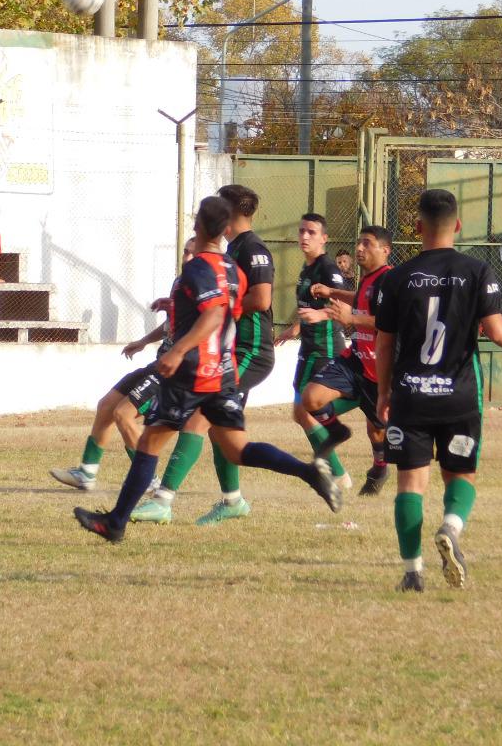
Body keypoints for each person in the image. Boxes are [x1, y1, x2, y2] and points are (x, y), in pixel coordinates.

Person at [73, 196, 341, 544]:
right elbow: (227, 309)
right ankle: (310, 473)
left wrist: (179, 349)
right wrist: (179, 306)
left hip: (194, 372)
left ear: (200, 226)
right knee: (237, 449)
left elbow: (213, 314)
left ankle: (116, 522)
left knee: (151, 441)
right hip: (223, 373)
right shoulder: (232, 269)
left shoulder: (199, 268)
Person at [375, 188, 502, 593]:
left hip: (410, 395)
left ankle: (412, 572)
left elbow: (385, 344)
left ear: (418, 227)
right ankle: (451, 528)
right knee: (461, 475)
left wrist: (384, 393)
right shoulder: (477, 272)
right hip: (458, 396)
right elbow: (498, 332)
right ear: (457, 225)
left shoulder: (397, 278)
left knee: (410, 484)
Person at [130, 183, 277, 526]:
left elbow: (262, 300)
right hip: (230, 348)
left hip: (250, 350)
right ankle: (233, 501)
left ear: (230, 212)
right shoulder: (232, 248)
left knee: (197, 421)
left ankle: (163, 501)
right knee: (218, 429)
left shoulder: (253, 249)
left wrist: (219, 308)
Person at [50, 239, 196, 492]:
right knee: (107, 406)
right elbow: (170, 325)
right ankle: (86, 473)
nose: (187, 258)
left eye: (194, 254)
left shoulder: (206, 286)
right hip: (159, 361)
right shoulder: (179, 282)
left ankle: (149, 481)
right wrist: (143, 341)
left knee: (124, 414)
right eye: (185, 252)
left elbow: (205, 323)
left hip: (176, 369)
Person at [305, 225, 395, 497]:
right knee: (311, 398)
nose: (359, 248)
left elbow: (391, 322)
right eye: (359, 243)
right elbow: (360, 299)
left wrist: (352, 319)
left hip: (379, 368)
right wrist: (332, 292)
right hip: (356, 358)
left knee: (377, 432)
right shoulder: (369, 279)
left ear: (385, 250)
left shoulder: (390, 281)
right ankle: (337, 432)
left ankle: (380, 468)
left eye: (367, 244)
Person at [274, 213, 352, 488]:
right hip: (309, 348)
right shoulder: (307, 269)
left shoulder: (328, 269)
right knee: (300, 413)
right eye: (302, 231)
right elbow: (309, 308)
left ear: (324, 238)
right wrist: (293, 329)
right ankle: (337, 471)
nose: (304, 236)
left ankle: (338, 473)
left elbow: (344, 308)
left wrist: (321, 316)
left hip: (326, 349)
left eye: (311, 232)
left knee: (306, 410)